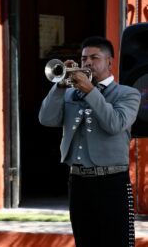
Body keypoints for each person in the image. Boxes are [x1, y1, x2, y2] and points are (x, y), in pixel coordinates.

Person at [39, 36, 141, 247]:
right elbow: (46, 119)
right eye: (84, 58)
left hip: (112, 182)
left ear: (110, 62)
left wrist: (90, 91)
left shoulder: (127, 94)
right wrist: (59, 86)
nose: (87, 63)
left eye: (94, 57)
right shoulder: (69, 94)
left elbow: (115, 123)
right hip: (79, 182)